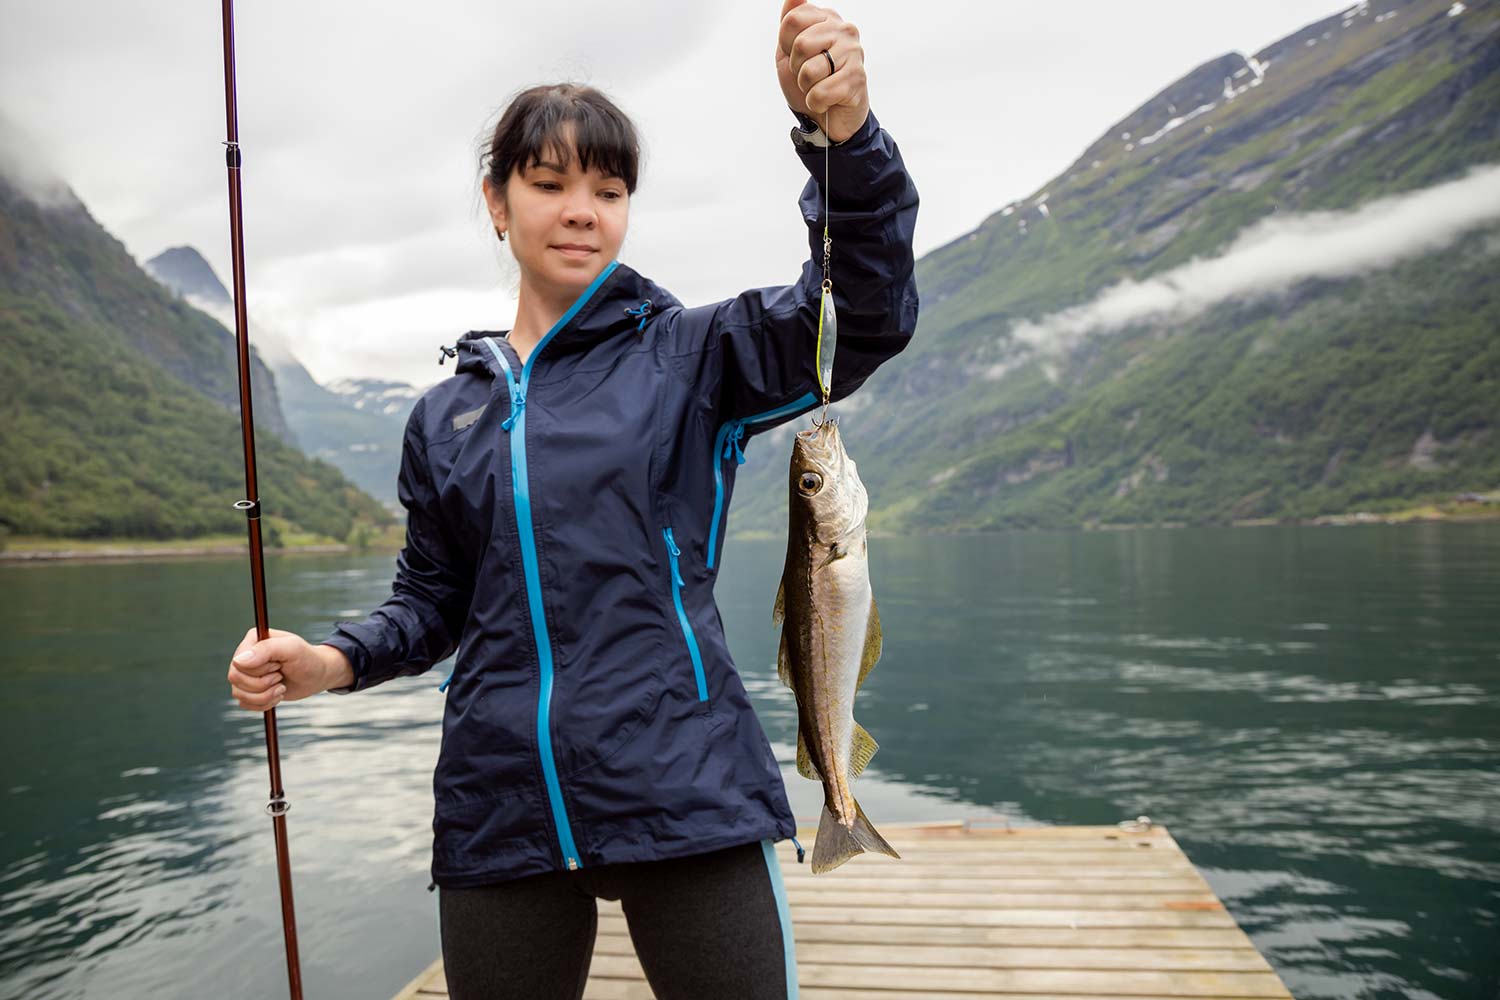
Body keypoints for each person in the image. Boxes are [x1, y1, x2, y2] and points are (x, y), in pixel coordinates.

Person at [226, 2, 918, 997]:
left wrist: (840, 141)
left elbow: (867, 312)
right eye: (549, 184)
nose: (583, 208)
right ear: (497, 202)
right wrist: (329, 660)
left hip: (686, 787)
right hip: (499, 805)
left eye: (608, 187)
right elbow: (433, 599)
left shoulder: (696, 355)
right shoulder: (444, 417)